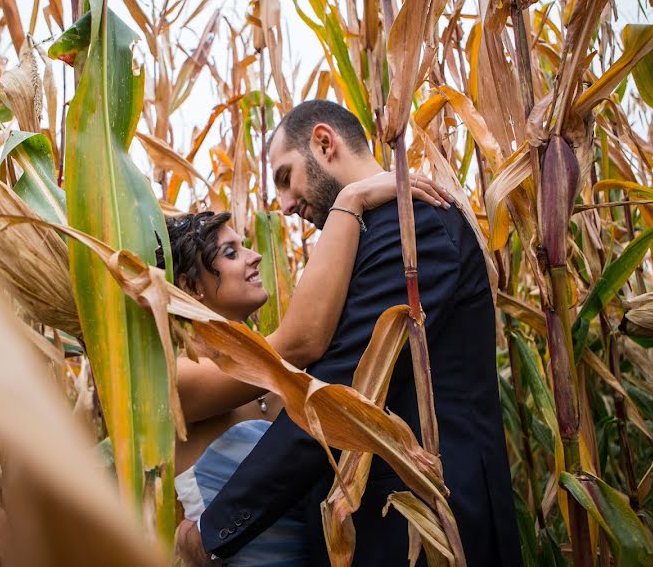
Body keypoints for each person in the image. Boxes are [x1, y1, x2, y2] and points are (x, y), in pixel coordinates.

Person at [176, 100, 522, 566]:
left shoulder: (412, 227)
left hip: (424, 532)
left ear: (324, 142)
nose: (283, 205)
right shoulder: (363, 238)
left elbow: (340, 393)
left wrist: (215, 529)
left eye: (285, 177)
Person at [161, 176, 451, 565]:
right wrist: (351, 199)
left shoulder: (270, 368)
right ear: (188, 285)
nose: (254, 256)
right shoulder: (178, 380)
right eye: (231, 253)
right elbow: (303, 340)